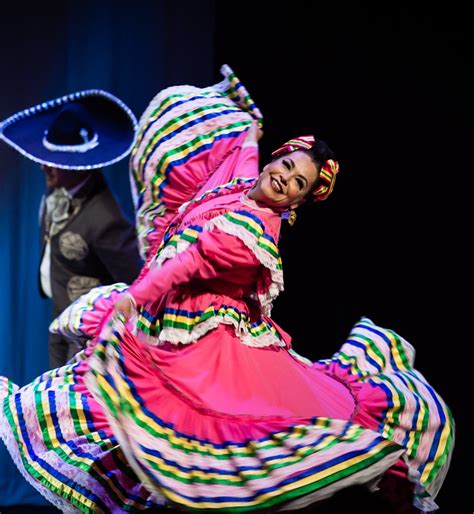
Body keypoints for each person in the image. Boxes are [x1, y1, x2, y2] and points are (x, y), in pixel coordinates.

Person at [0, 66, 454, 514]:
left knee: (187, 436)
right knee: (123, 414)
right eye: (287, 166)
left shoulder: (248, 234)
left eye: (298, 184)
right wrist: (250, 134)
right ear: (278, 157)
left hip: (204, 345)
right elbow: (243, 159)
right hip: (173, 323)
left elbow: (186, 264)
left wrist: (132, 298)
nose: (284, 179)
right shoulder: (243, 184)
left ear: (297, 202)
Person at [0, 90, 144, 368]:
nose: (43, 167)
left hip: (89, 340)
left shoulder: (106, 219)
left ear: (78, 165)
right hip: (59, 322)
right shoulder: (56, 192)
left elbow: (136, 286)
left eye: (54, 162)